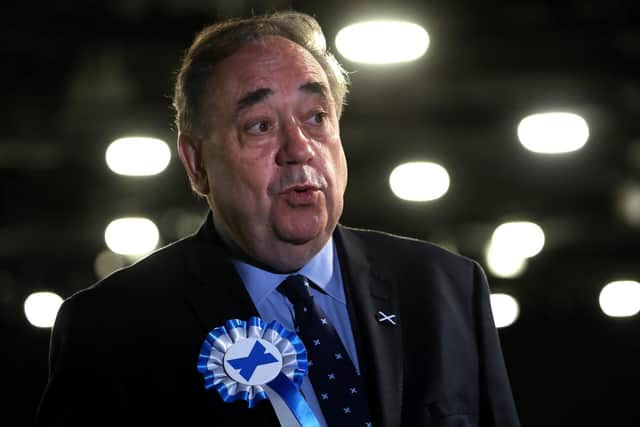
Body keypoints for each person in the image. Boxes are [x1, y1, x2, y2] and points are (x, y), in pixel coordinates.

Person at [36, 11, 520, 427]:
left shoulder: (448, 288)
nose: (300, 149)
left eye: (316, 117)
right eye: (260, 126)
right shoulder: (112, 330)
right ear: (196, 164)